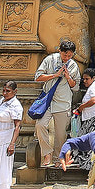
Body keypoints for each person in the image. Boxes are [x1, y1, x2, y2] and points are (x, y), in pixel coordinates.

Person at [34, 39, 81, 167]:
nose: (67, 58)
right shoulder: (50, 60)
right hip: (48, 101)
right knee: (40, 125)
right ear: (59, 51)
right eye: (65, 54)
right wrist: (55, 75)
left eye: (70, 55)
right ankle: (47, 153)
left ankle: (57, 159)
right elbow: (38, 77)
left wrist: (68, 77)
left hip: (63, 102)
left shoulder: (73, 65)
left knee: (60, 135)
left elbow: (75, 86)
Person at [72, 68, 95, 170]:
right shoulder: (92, 87)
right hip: (90, 118)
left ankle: (92, 167)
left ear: (93, 78)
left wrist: (81, 107)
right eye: (83, 79)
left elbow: (93, 100)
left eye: (87, 79)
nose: (84, 81)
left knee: (93, 142)